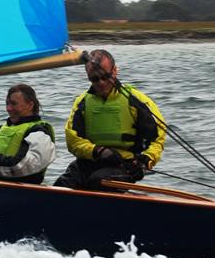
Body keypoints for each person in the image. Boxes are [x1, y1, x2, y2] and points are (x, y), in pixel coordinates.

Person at [54, 49, 166, 190]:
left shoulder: (136, 100)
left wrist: (145, 162)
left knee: (98, 181)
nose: (101, 83)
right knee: (61, 186)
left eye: (105, 76)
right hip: (88, 162)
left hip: (124, 166)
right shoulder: (81, 103)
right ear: (88, 77)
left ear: (115, 71)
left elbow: (157, 138)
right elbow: (73, 140)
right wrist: (99, 151)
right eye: (95, 79)